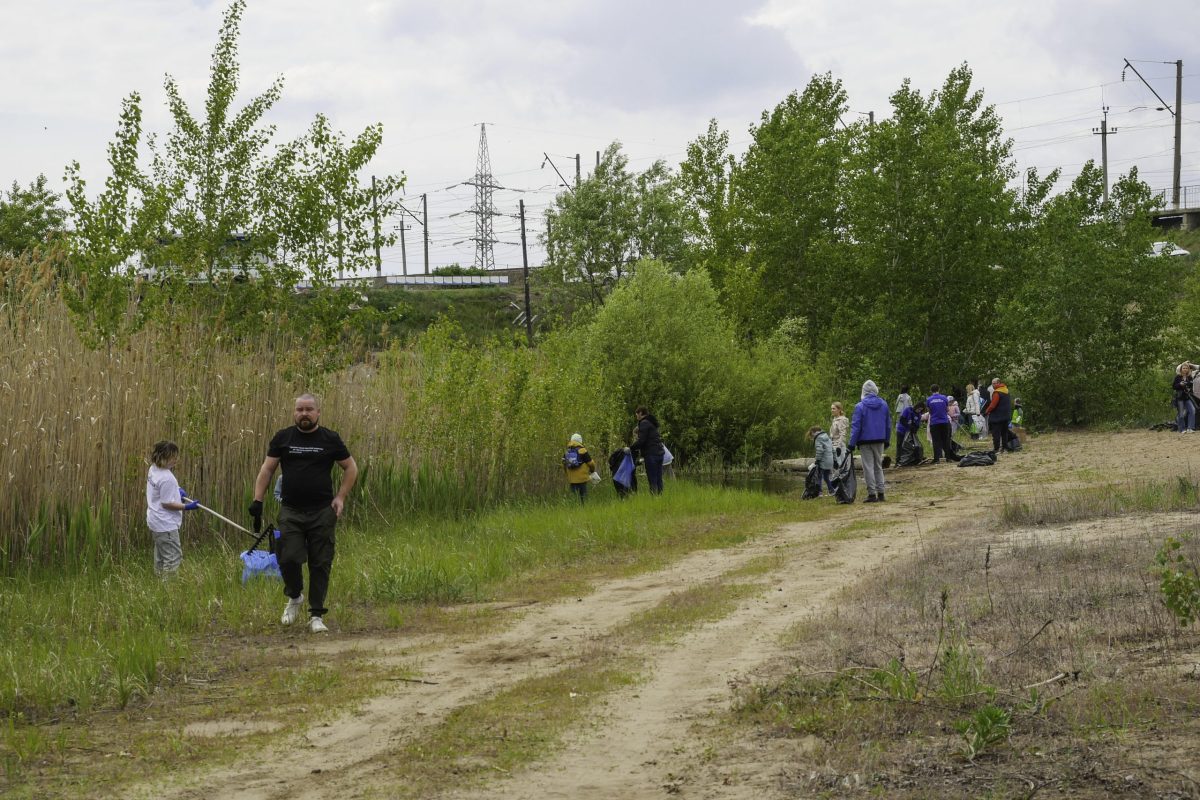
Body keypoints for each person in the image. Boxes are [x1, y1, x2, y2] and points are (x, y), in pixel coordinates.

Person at [250, 393, 358, 634]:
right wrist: (258, 500)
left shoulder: (330, 438)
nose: (304, 414)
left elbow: (351, 467)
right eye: (300, 409)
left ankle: (316, 615)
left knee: (321, 562)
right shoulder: (283, 438)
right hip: (291, 511)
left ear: (318, 412)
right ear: (294, 412)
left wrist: (340, 497)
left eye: (309, 409)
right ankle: (295, 596)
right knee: (288, 557)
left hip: (322, 511)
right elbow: (267, 469)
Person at [146, 440, 199, 577]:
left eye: (176, 456)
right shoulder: (167, 478)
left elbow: (161, 491)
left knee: (161, 556)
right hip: (166, 524)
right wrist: (187, 507)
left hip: (155, 520)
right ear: (163, 458)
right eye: (173, 457)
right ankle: (169, 587)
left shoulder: (153, 469)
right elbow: (167, 503)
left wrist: (177, 490)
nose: (176, 460)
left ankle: (159, 581)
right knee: (173, 558)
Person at [849, 380, 891, 503]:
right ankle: (881, 493)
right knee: (878, 466)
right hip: (880, 439)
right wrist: (887, 439)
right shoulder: (884, 404)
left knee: (868, 467)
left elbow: (856, 426)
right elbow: (888, 424)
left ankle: (872, 494)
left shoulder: (859, 406)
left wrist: (851, 443)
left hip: (865, 441)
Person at [628, 406, 665, 494]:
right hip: (659, 453)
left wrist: (630, 448)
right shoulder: (651, 422)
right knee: (659, 478)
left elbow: (641, 441)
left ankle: (654, 498)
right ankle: (660, 497)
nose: (636, 417)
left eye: (637, 415)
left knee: (652, 479)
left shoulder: (644, 423)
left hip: (651, 454)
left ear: (640, 413)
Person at [563, 433, 597, 503]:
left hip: (572, 479)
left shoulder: (567, 452)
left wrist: (567, 474)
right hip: (582, 479)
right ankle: (584, 508)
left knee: (574, 498)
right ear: (580, 441)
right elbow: (591, 463)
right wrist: (592, 470)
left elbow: (564, 464)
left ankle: (574, 508)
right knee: (583, 498)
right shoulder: (582, 450)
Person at [983, 378, 1012, 453]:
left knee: (996, 433)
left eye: (994, 383)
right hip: (1006, 416)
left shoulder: (997, 393)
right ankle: (1005, 448)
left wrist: (986, 411)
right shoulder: (1006, 390)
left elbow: (993, 405)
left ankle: (996, 449)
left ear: (999, 383)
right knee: (1004, 433)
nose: (993, 385)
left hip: (997, 417)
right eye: (992, 383)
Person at [926, 385, 953, 464]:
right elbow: (947, 409)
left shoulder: (929, 399)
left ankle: (936, 459)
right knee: (946, 440)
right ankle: (948, 458)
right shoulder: (944, 398)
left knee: (936, 441)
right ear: (939, 389)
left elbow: (929, 411)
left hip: (934, 422)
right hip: (944, 421)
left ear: (931, 390)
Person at [895, 400, 925, 465]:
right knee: (900, 445)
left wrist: (914, 429)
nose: (919, 411)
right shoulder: (908, 410)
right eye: (919, 409)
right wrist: (909, 426)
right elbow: (902, 420)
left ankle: (909, 459)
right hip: (901, 431)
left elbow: (917, 425)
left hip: (910, 433)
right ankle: (898, 460)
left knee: (909, 446)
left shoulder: (919, 415)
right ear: (916, 407)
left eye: (921, 410)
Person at [809, 426, 836, 496]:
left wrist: (817, 460)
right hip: (830, 461)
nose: (812, 437)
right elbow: (833, 450)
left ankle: (819, 493)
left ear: (813, 432)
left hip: (823, 461)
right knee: (826, 477)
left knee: (819, 477)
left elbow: (820, 450)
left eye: (811, 435)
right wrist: (835, 460)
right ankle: (832, 491)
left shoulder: (818, 438)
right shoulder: (827, 438)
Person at [1174, 363, 1196, 434]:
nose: (1185, 369)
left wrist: (1189, 387)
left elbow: (1191, 386)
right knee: (1181, 414)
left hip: (1187, 397)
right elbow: (1174, 386)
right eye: (1184, 368)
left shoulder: (1189, 377)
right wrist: (1180, 384)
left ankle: (1190, 428)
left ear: (1188, 369)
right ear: (1181, 369)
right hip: (1180, 398)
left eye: (1186, 368)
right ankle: (1182, 429)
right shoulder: (1178, 377)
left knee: (1192, 410)